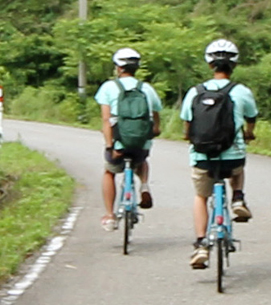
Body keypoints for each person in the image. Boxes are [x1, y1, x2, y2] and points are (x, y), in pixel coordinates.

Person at [178, 37, 258, 269]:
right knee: (237, 169)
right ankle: (238, 197)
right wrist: (249, 133)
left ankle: (201, 243)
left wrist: (188, 136)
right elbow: (251, 118)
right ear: (234, 64)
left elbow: (187, 123)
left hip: (203, 157)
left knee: (201, 196)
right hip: (231, 156)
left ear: (209, 64)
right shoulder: (241, 91)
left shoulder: (195, 91)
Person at [95, 46, 161, 233]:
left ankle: (109, 215)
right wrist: (155, 130)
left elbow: (106, 120)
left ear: (119, 68)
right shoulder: (146, 88)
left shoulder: (108, 87)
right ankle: (145, 185)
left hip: (119, 141)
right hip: (141, 143)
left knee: (109, 172)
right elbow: (155, 116)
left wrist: (110, 146)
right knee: (141, 160)